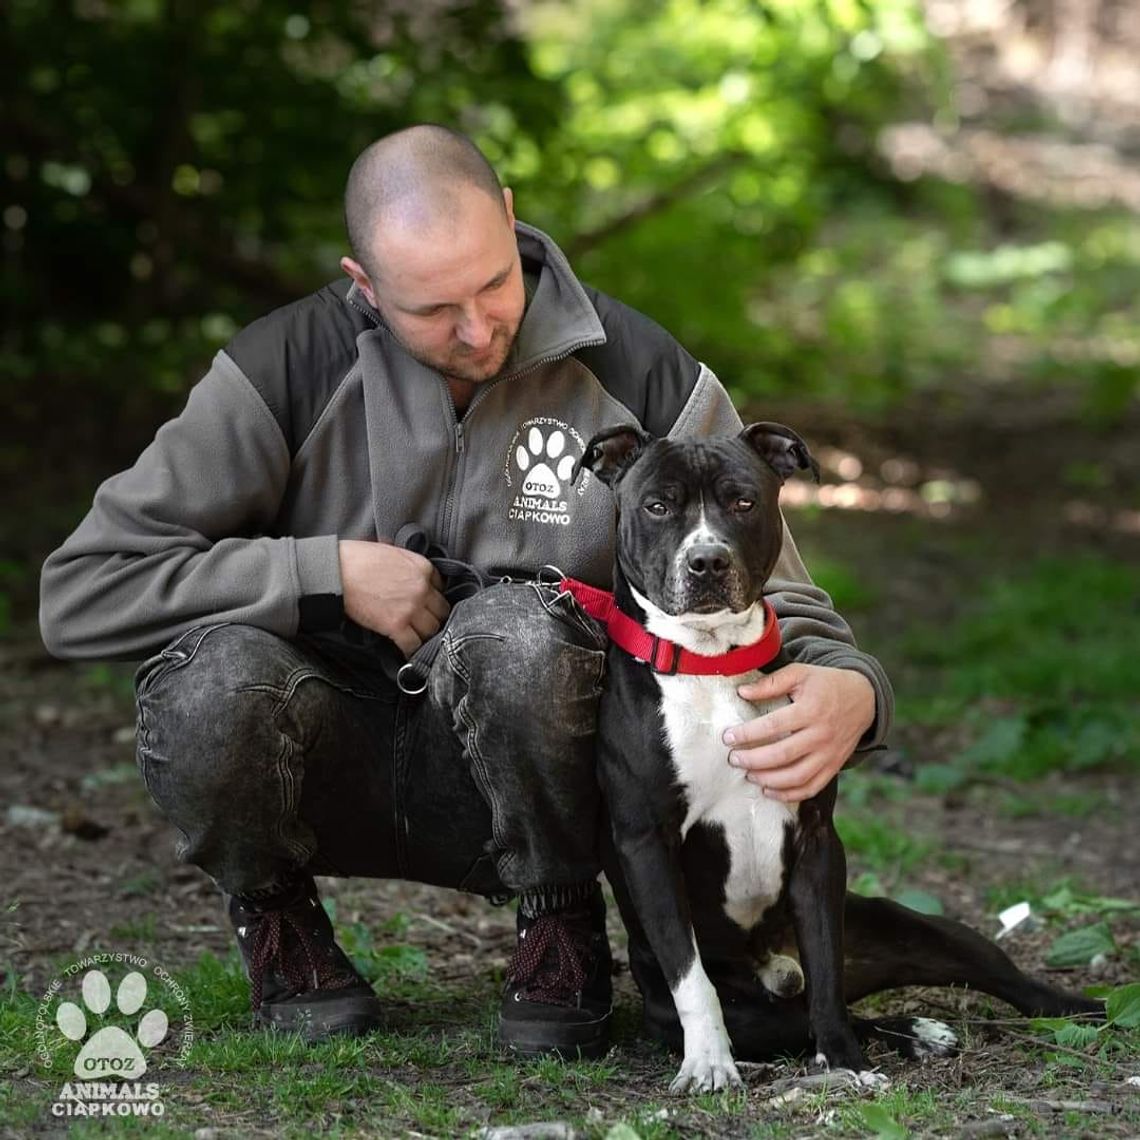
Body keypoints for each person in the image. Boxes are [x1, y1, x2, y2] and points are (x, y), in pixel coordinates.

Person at [39, 124, 892, 1060]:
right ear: (364, 285)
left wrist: (854, 688)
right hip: (324, 751)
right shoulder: (284, 369)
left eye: (495, 284)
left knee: (521, 632)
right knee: (210, 682)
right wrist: (321, 572)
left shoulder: (637, 371)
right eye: (433, 308)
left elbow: (782, 591)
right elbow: (83, 588)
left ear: (514, 222)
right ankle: (281, 920)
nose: (479, 328)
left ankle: (558, 916)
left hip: (539, 771)